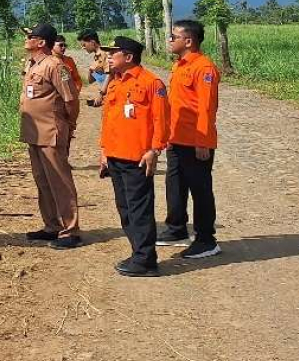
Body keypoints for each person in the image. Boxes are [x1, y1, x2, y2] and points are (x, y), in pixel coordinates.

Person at [99, 35, 169, 277]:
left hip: (137, 157)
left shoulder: (151, 83)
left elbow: (161, 120)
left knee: (140, 209)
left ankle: (146, 260)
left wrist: (154, 150)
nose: (108, 56)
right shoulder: (115, 82)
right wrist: (103, 151)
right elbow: (108, 120)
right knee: (125, 208)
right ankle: (138, 252)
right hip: (115, 155)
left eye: (113, 53)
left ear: (128, 57)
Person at [158, 19, 222, 259]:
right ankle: (176, 229)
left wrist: (203, 141)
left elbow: (206, 108)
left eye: (173, 37)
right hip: (176, 137)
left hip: (196, 140)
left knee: (200, 189)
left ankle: (206, 239)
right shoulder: (179, 65)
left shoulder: (203, 68)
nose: (169, 40)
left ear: (188, 41)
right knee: (175, 185)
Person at [20, 24, 82, 249]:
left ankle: (70, 229)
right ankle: (52, 226)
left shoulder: (56, 66)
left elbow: (71, 100)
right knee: (43, 181)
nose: (26, 39)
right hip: (34, 133)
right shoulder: (32, 64)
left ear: (41, 42)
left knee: (59, 181)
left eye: (31, 37)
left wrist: (70, 125)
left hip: (51, 131)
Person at [78, 30, 109, 106]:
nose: (83, 48)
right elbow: (91, 80)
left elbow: (109, 75)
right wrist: (91, 70)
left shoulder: (105, 54)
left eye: (84, 45)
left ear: (92, 42)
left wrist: (101, 94)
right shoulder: (96, 57)